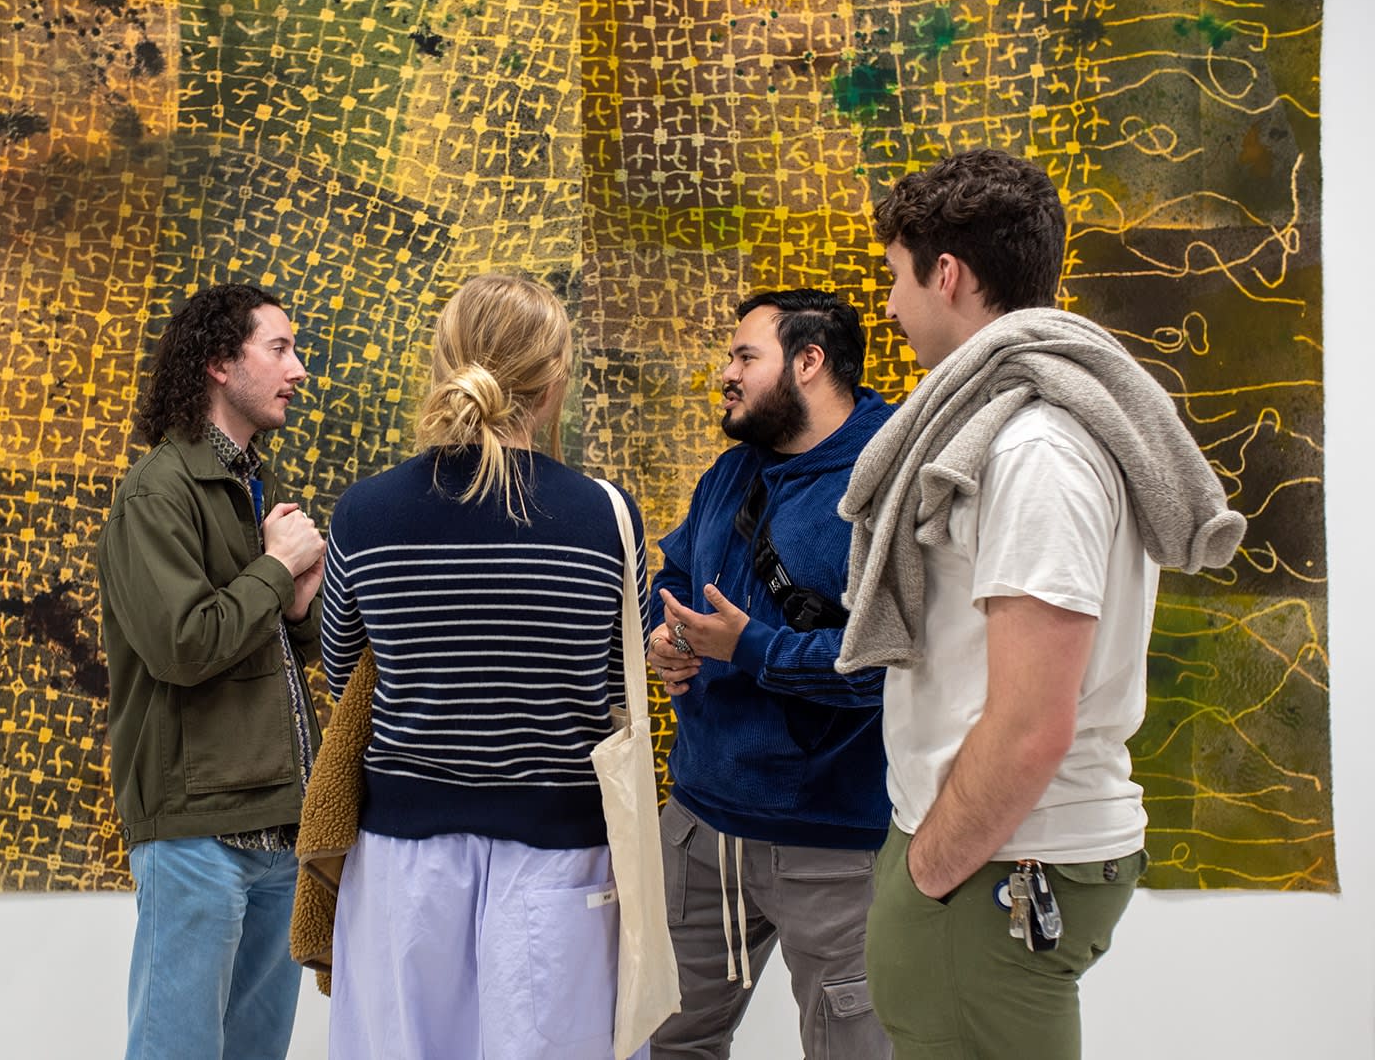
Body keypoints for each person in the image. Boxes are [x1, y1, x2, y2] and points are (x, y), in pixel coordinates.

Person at [841, 149, 1245, 1058]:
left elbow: (1031, 723)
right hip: (999, 862)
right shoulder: (1026, 430)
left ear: (947, 275)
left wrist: (929, 868)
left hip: (999, 864)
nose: (893, 308)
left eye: (897, 278)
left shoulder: (1035, 454)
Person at [319, 273, 651, 1059]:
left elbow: (343, 676)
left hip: (403, 865)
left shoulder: (365, 513)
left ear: (444, 361)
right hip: (562, 860)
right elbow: (613, 688)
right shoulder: (607, 515)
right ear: (555, 376)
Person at [646, 289, 894, 1059]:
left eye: (744, 356)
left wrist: (745, 645)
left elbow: (884, 667)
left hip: (835, 847)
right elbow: (679, 577)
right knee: (663, 1042)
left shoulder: (886, 480)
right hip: (698, 829)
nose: (726, 373)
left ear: (809, 362)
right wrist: (668, 636)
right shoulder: (729, 474)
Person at [97, 283, 328, 1060]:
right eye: (280, 348)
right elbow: (184, 646)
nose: (299, 369)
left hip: (275, 834)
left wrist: (294, 607)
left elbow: (258, 648)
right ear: (220, 365)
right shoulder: (156, 493)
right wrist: (274, 567)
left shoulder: (244, 486)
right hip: (200, 837)